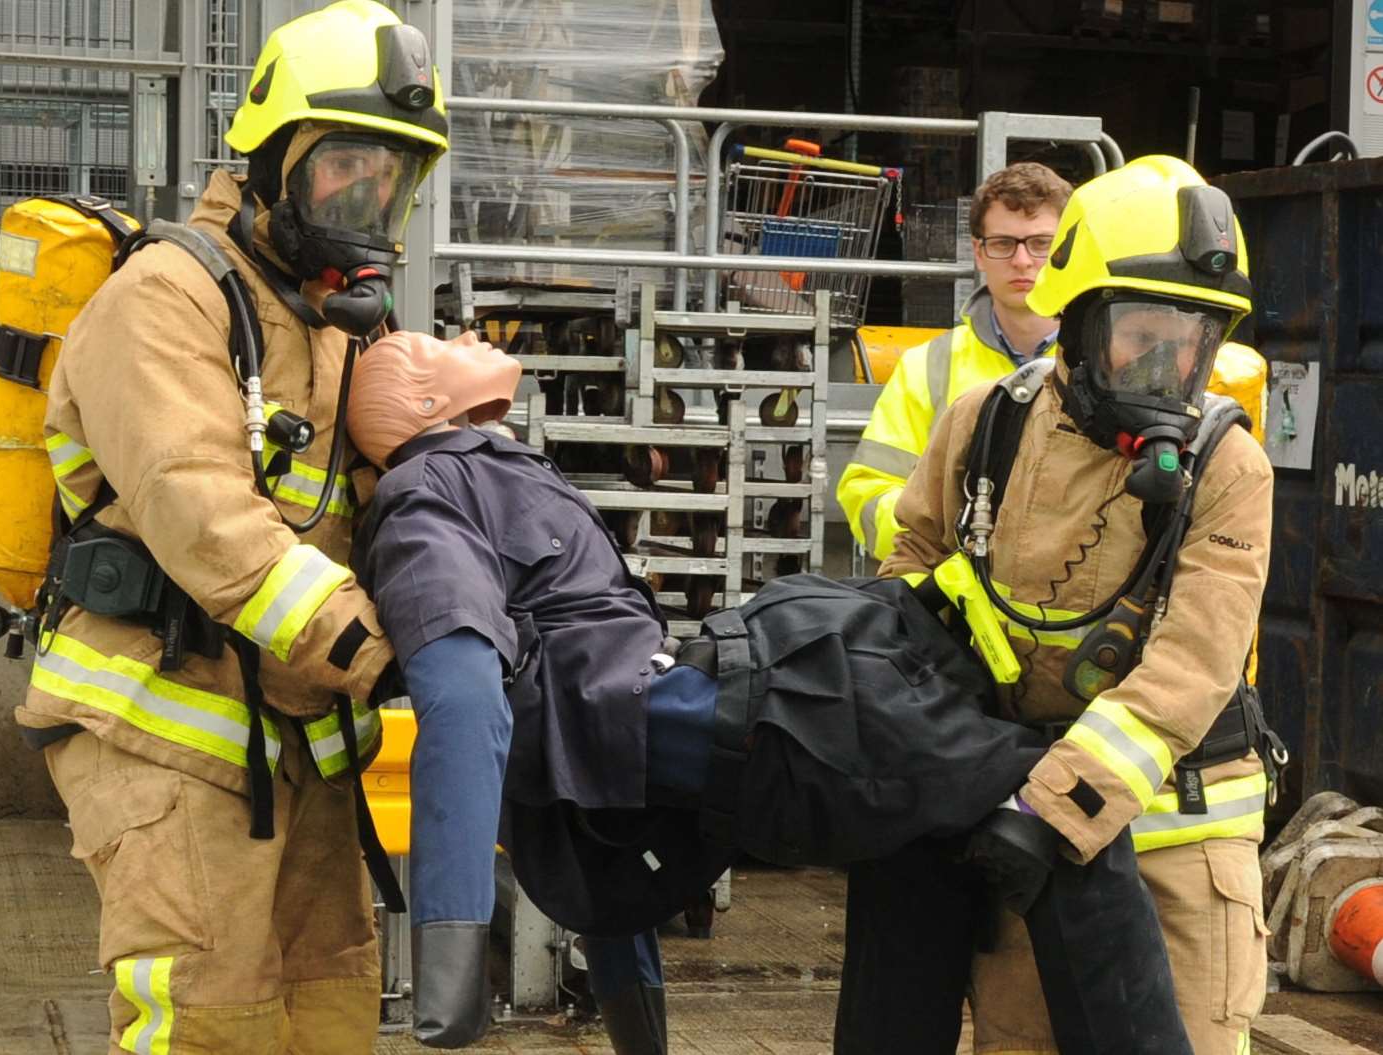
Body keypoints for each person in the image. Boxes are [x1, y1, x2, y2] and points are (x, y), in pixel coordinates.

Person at [347, 330, 1196, 1055]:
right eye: (436, 345)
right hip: (731, 716)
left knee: (927, 834)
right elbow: (462, 699)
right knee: (1048, 797)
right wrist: (448, 973)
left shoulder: (487, 468)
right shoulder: (423, 498)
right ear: (421, 403)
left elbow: (604, 839)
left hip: (702, 700)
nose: (464, 340)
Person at [14, 3, 450, 1051]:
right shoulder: (165, 301)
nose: (365, 194)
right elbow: (204, 511)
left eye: (390, 174)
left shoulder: (334, 319)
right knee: (211, 1021)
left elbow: (388, 500)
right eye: (343, 161)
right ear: (268, 158)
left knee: (329, 1006)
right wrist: (381, 649)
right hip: (167, 726)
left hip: (299, 736)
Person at [874, 155, 1274, 1055]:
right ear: (1079, 314)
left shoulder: (1229, 465)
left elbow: (1194, 661)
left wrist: (1049, 808)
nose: (1168, 359)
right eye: (1141, 328)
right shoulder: (984, 422)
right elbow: (913, 564)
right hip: (1016, 826)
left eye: (1195, 334)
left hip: (1179, 842)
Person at [837, 161, 1072, 562]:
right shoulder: (927, 366)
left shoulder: (1108, 362)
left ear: (1068, 250)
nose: (1021, 261)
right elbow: (867, 493)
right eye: (1002, 244)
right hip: (947, 602)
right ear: (979, 253)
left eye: (1041, 244)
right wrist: (953, 535)